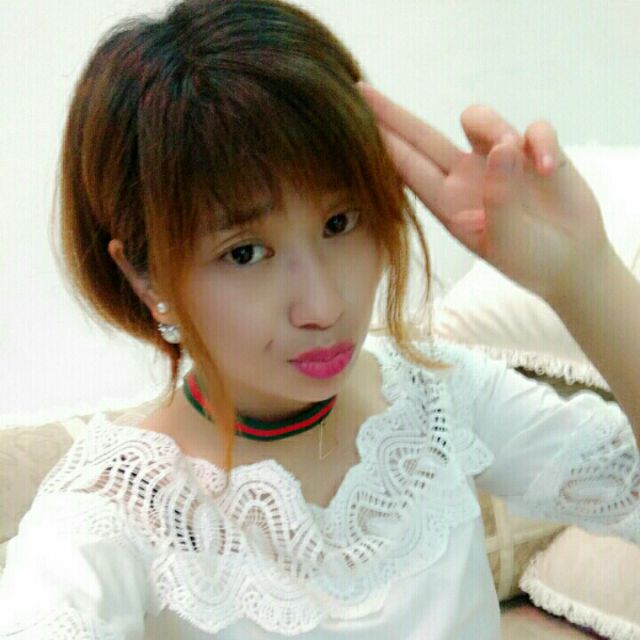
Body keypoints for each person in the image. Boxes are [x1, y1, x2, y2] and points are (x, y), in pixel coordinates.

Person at [0, 0, 638, 637]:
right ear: (145, 276)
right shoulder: (113, 514)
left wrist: (584, 278)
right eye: (244, 253)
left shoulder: (436, 395)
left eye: (340, 221)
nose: (324, 306)